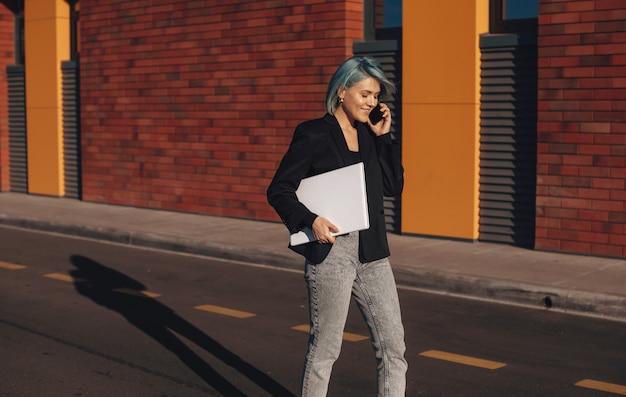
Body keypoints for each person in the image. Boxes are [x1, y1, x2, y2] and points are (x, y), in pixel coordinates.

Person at [267, 56, 407, 397]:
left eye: (376, 95)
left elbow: (393, 187)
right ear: (342, 92)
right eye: (365, 94)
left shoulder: (371, 135)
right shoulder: (313, 133)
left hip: (373, 252)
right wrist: (309, 220)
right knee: (326, 348)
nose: (372, 101)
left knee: (394, 349)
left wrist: (385, 138)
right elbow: (279, 190)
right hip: (332, 251)